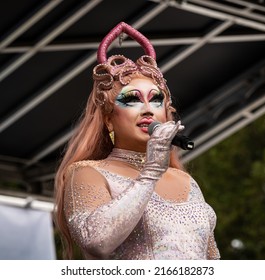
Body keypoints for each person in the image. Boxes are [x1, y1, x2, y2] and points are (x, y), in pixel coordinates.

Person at [54, 22, 220, 260]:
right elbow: (97, 241)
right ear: (109, 119)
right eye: (132, 100)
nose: (147, 110)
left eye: (156, 100)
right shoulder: (87, 173)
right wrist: (151, 171)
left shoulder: (185, 181)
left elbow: (212, 259)